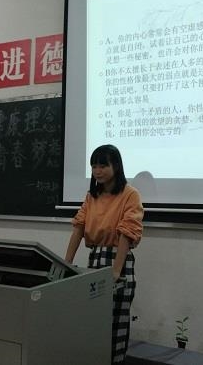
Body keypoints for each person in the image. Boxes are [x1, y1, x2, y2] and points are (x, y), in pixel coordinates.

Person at [65, 144, 144, 364]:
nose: (97, 171)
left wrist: (116, 271)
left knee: (116, 322)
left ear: (116, 166)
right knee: (94, 321)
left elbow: (127, 232)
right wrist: (65, 263)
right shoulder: (92, 196)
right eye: (93, 166)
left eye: (102, 166)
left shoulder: (130, 194)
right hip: (95, 259)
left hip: (119, 260)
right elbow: (79, 227)